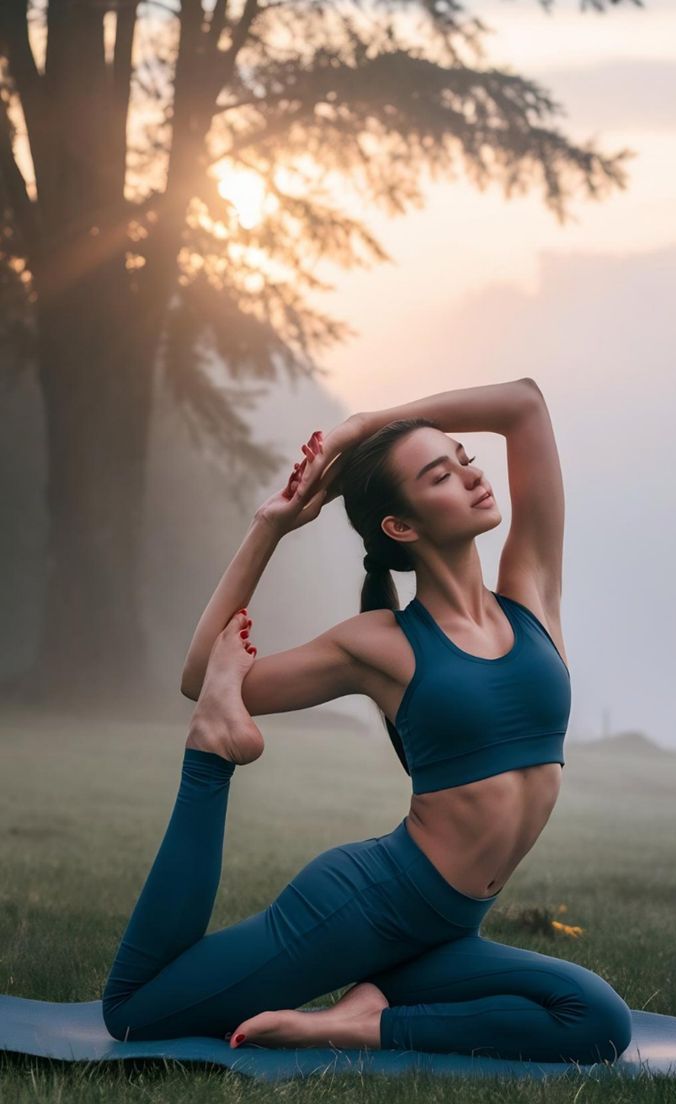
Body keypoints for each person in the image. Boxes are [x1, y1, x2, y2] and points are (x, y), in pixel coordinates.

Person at [101, 379, 633, 1063]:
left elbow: (526, 404)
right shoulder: (382, 643)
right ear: (401, 526)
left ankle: (356, 1022)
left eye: (464, 459)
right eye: (440, 475)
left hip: (445, 930)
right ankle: (211, 758)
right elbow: (206, 680)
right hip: (370, 906)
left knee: (596, 1020)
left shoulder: (531, 593)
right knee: (134, 1011)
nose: (472, 475)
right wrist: (273, 524)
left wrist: (362, 426)